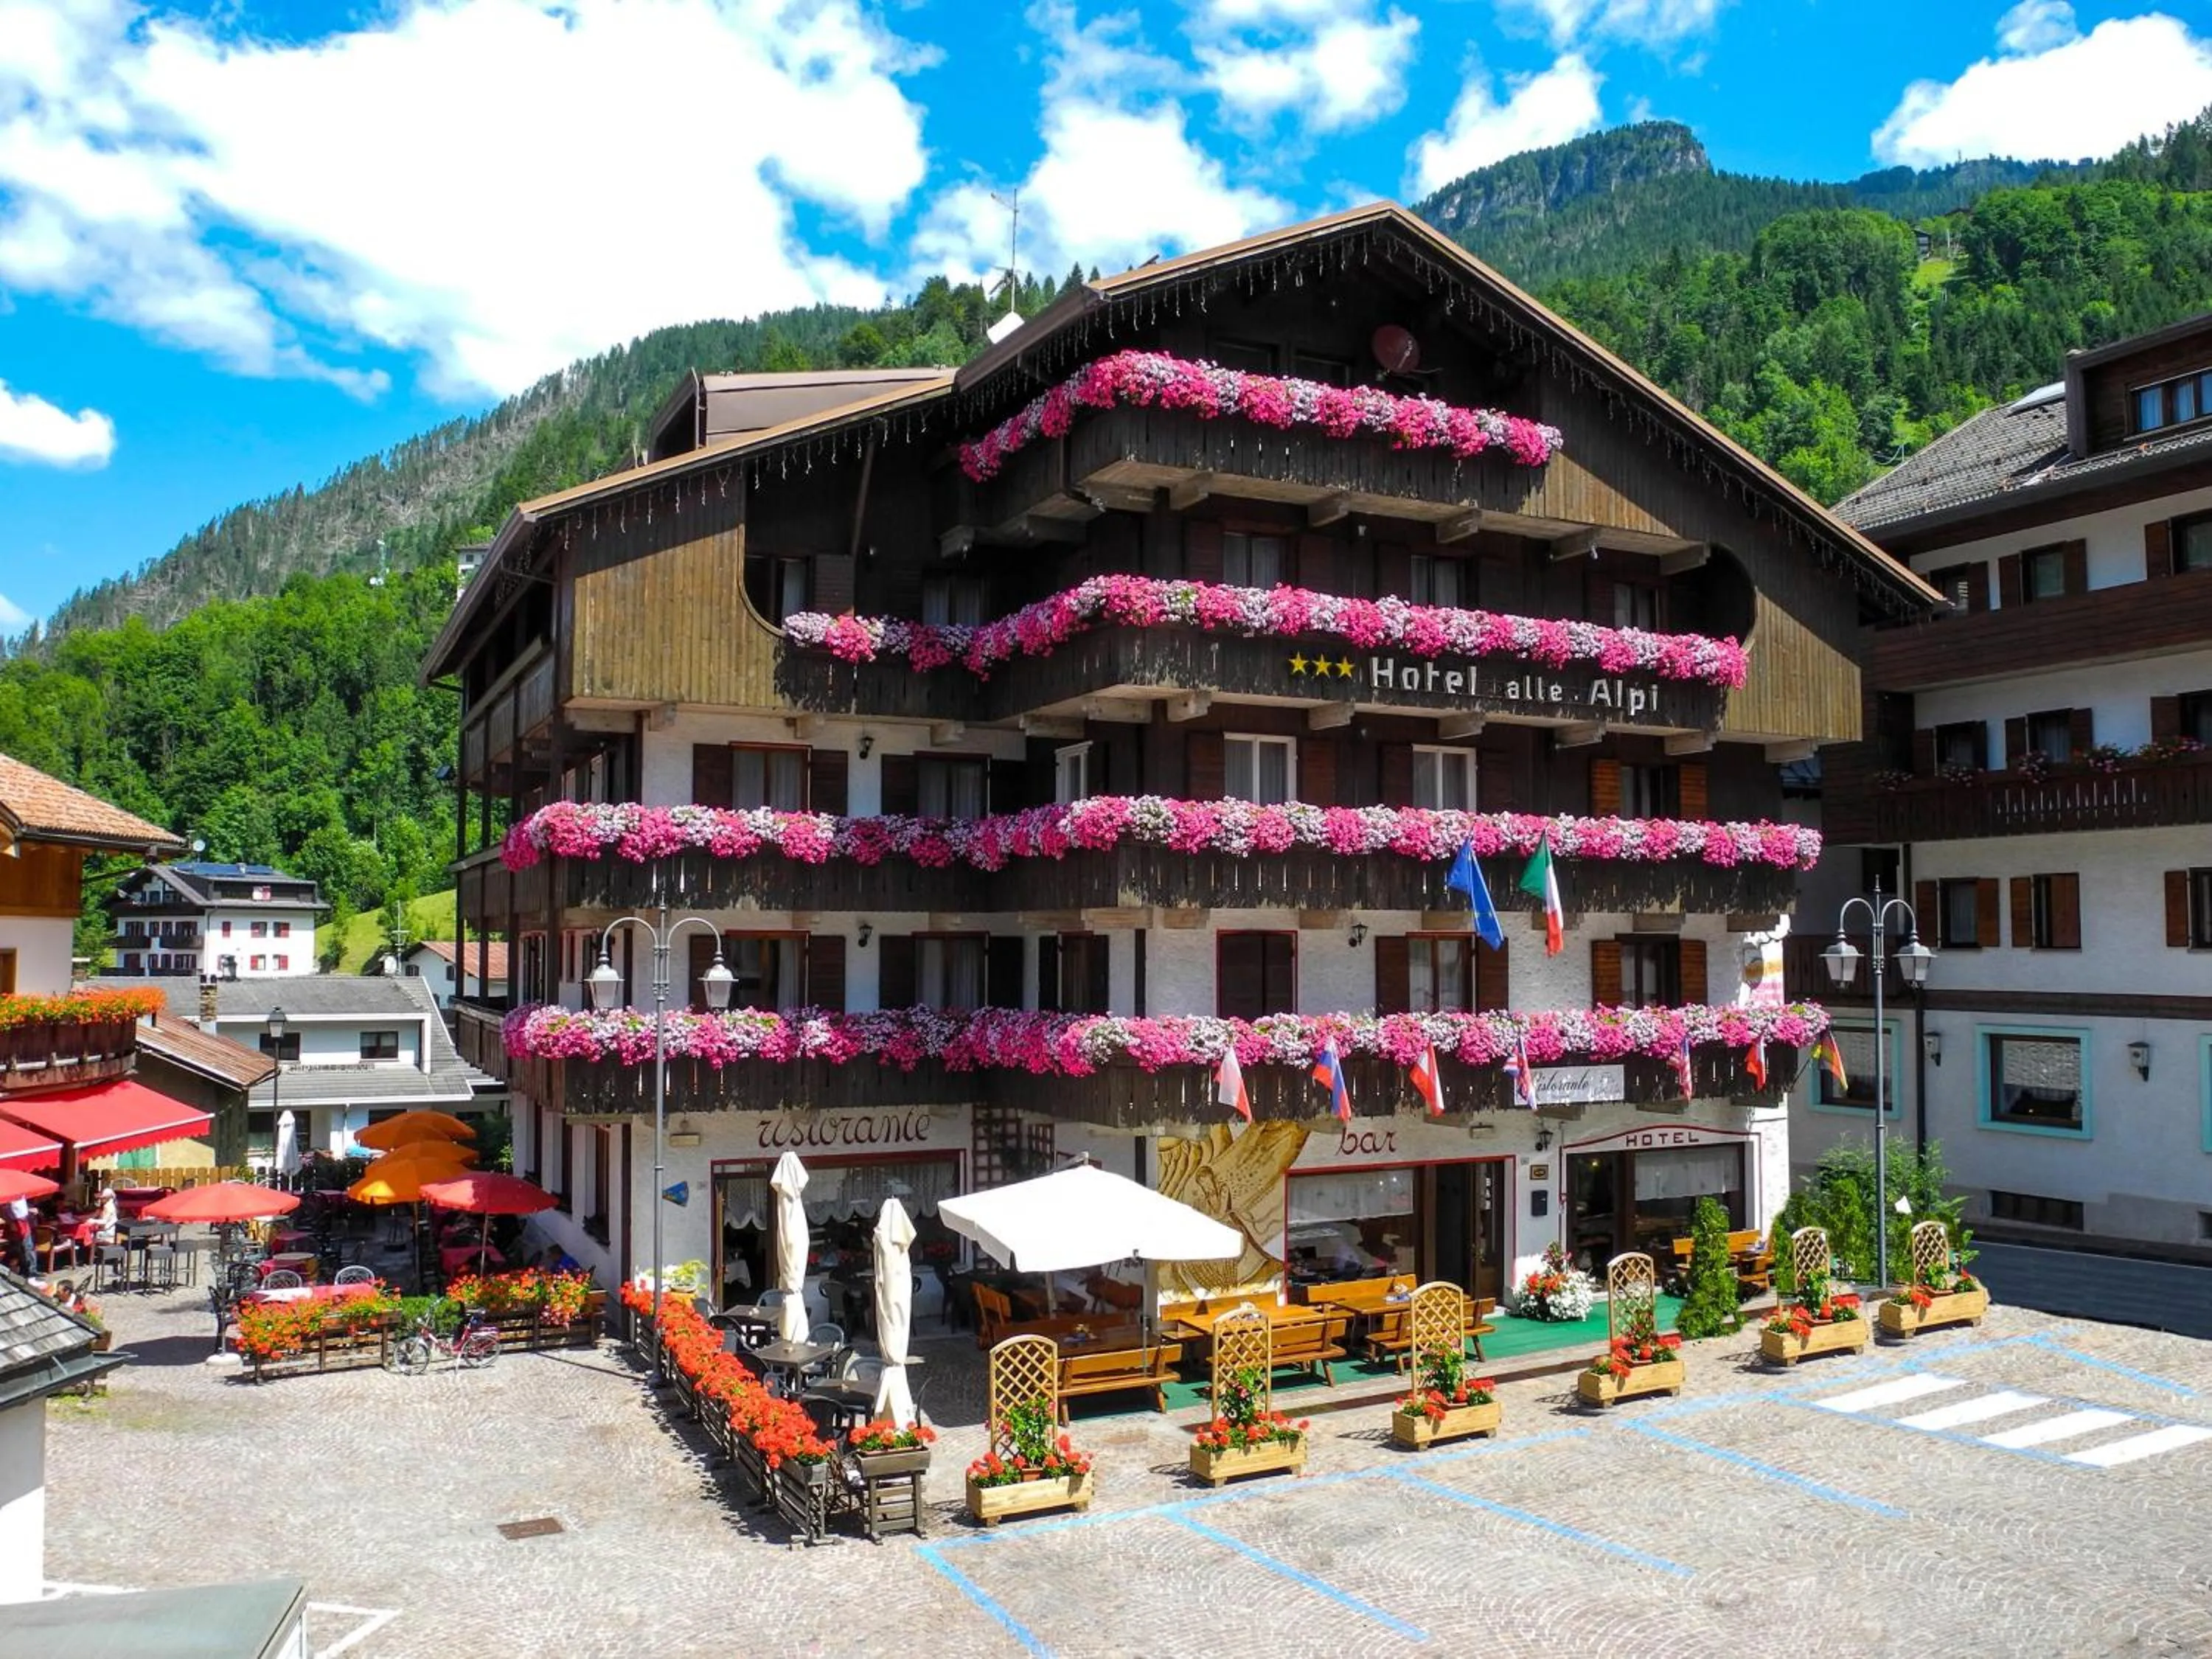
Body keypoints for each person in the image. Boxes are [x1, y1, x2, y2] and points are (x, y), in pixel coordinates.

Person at [6, 1196, 35, 1278]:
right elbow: (5, 1209)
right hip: (16, 1223)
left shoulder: (22, 1194)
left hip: (24, 1221)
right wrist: (11, 1222)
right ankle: (20, 1271)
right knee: (17, 1250)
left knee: (28, 1247)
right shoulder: (10, 1196)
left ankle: (31, 1271)